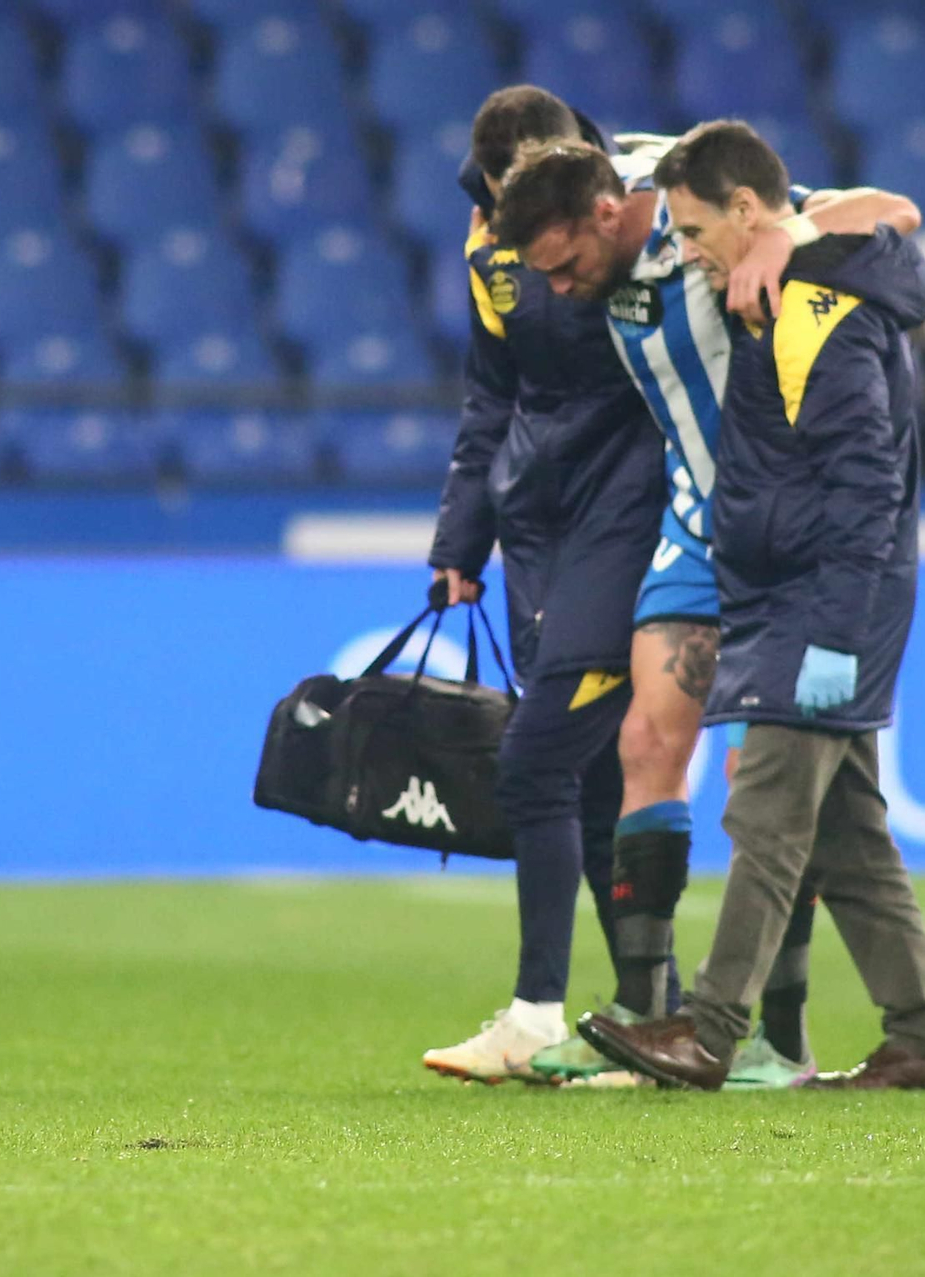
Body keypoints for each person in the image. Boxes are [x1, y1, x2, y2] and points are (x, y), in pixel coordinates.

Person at [493, 135, 924, 1087]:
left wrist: (791, 237)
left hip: (789, 520)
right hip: (701, 514)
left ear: (608, 215)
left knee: (777, 785)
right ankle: (645, 1016)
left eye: (564, 266)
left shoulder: (702, 213)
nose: (559, 288)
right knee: (649, 742)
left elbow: (892, 208)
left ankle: (766, 1032)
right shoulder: (613, 190)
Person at [419, 88, 670, 1086]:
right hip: (534, 517)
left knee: (532, 760)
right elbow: (493, 392)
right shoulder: (487, 241)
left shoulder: (645, 210)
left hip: (627, 502)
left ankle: (533, 1011)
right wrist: (460, 535)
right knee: (596, 779)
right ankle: (651, 1023)